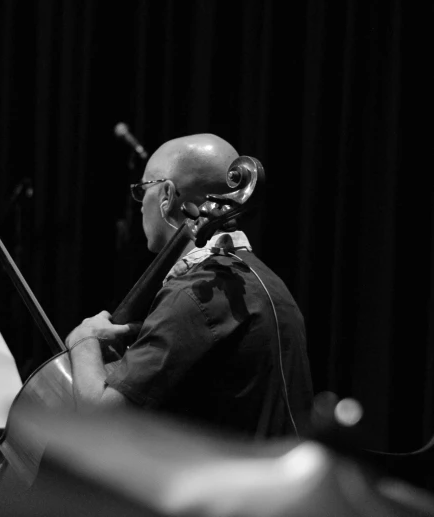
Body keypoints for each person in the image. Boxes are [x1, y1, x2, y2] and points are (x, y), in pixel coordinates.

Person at [64, 133, 313, 438]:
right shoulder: (269, 283)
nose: (141, 206)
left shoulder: (195, 293)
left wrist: (83, 340)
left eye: (144, 191)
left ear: (167, 195)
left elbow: (99, 420)